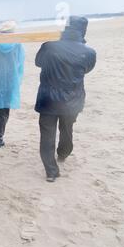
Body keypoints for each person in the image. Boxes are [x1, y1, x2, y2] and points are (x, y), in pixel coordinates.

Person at [35, 16, 97, 182]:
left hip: (48, 98)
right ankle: (63, 153)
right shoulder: (89, 52)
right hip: (72, 99)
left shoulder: (49, 46)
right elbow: (86, 69)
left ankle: (51, 171)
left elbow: (38, 62)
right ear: (83, 30)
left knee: (47, 134)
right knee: (67, 129)